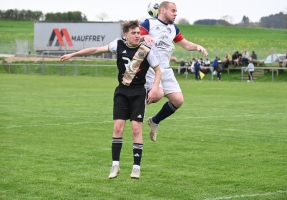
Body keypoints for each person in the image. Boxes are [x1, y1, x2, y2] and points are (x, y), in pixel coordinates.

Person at [60, 20, 162, 179]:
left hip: (138, 93)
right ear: (126, 35)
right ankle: (115, 166)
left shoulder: (146, 50)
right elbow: (95, 49)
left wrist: (155, 88)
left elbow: (158, 71)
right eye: (133, 33)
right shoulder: (118, 44)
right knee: (117, 128)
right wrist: (73, 54)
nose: (137, 35)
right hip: (121, 91)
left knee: (136, 129)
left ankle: (136, 168)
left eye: (138, 33)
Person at [140, 1, 208, 142]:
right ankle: (135, 103)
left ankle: (154, 121)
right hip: (152, 69)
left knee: (178, 100)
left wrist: (197, 46)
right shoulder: (149, 23)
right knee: (157, 94)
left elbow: (186, 44)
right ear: (162, 10)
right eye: (173, 10)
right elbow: (134, 38)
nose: (176, 13)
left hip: (166, 69)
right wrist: (143, 37)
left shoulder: (173, 29)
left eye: (176, 11)